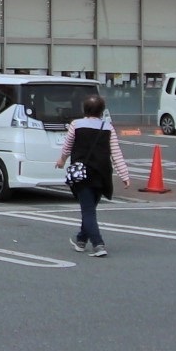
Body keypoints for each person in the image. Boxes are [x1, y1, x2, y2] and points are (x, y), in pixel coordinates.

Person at [60, 92, 134, 257]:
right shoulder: (107, 127)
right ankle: (81, 240)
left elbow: (67, 146)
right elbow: (116, 153)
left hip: (82, 174)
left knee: (88, 211)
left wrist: (61, 160)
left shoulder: (76, 125)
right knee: (90, 209)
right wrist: (124, 175)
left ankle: (98, 244)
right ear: (102, 111)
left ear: (84, 109)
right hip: (102, 174)